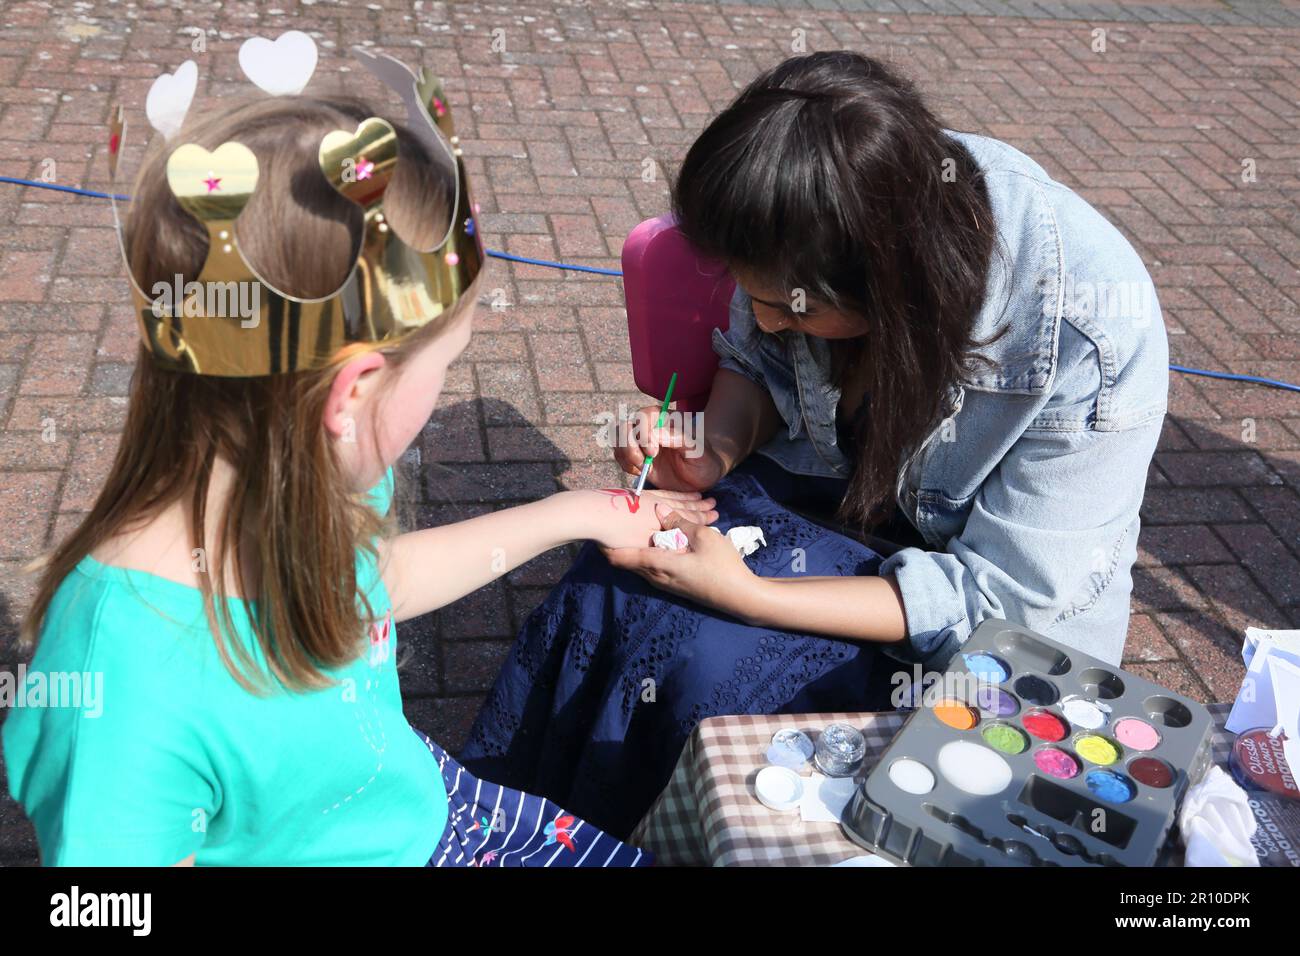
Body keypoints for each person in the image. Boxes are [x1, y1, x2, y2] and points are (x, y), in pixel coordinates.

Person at [1, 44, 716, 866]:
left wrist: (579, 513)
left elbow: (370, 589)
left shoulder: (311, 471)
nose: (444, 390)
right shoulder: (119, 691)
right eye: (445, 365)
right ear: (352, 393)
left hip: (428, 812)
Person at [461, 51, 1167, 838]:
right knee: (609, 586)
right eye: (750, 294)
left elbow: (1003, 605)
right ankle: (529, 836)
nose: (761, 320)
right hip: (825, 504)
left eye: (787, 309)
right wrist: (712, 451)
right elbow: (754, 363)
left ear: (891, 291)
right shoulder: (817, 205)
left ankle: (656, 838)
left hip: (966, 617)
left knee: (712, 675)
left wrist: (750, 596)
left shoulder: (1087, 335)